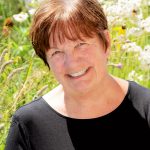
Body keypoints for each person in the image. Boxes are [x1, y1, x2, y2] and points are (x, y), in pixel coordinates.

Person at [5, 0, 150, 150]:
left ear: (106, 42)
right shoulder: (29, 125)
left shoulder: (146, 108)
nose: (72, 63)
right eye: (57, 52)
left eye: (81, 45)